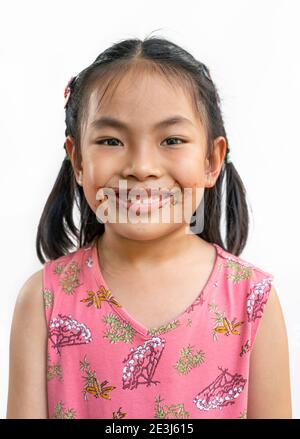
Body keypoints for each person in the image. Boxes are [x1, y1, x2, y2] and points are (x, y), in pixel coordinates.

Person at [7, 35, 292, 419]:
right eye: (111, 140)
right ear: (76, 160)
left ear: (212, 159)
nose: (141, 167)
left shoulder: (252, 301)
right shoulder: (44, 300)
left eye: (171, 140)